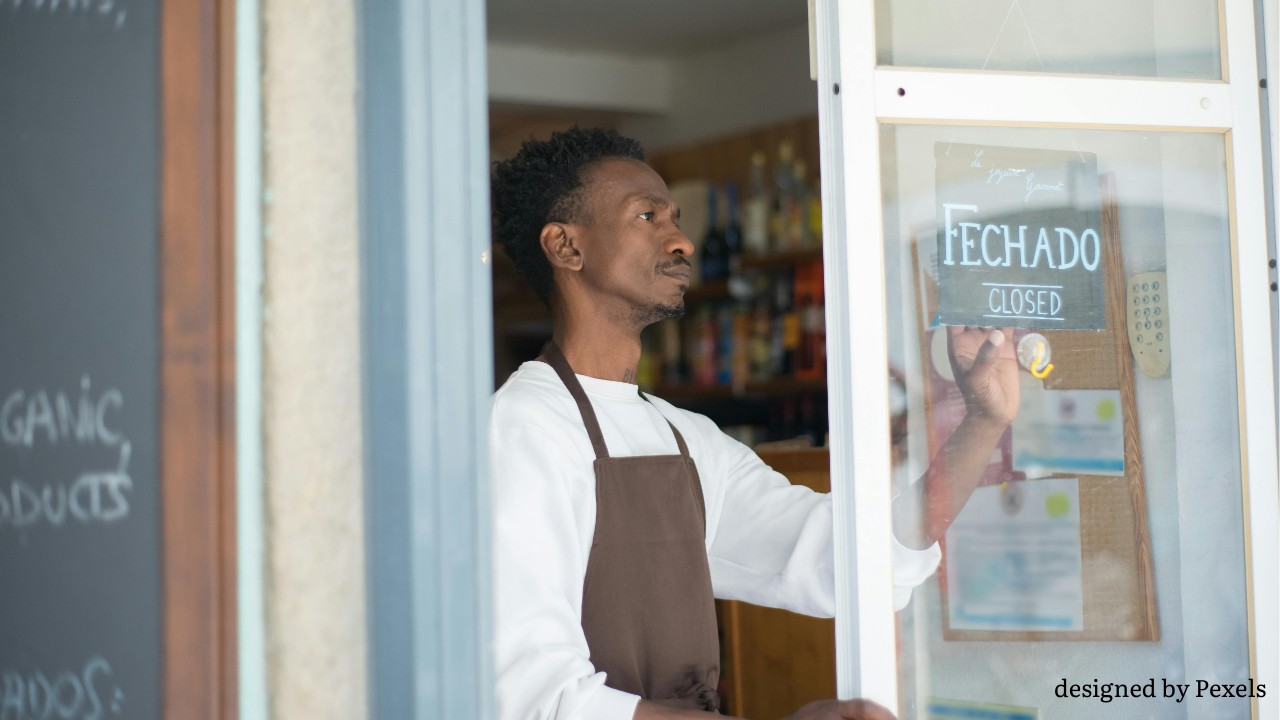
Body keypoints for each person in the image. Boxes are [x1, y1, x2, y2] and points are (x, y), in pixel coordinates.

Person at [489, 128, 1019, 720]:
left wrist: (981, 421)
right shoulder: (524, 428)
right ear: (565, 246)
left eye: (675, 217)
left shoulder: (682, 437)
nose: (682, 241)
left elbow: (843, 562)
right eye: (647, 216)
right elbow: (536, 698)